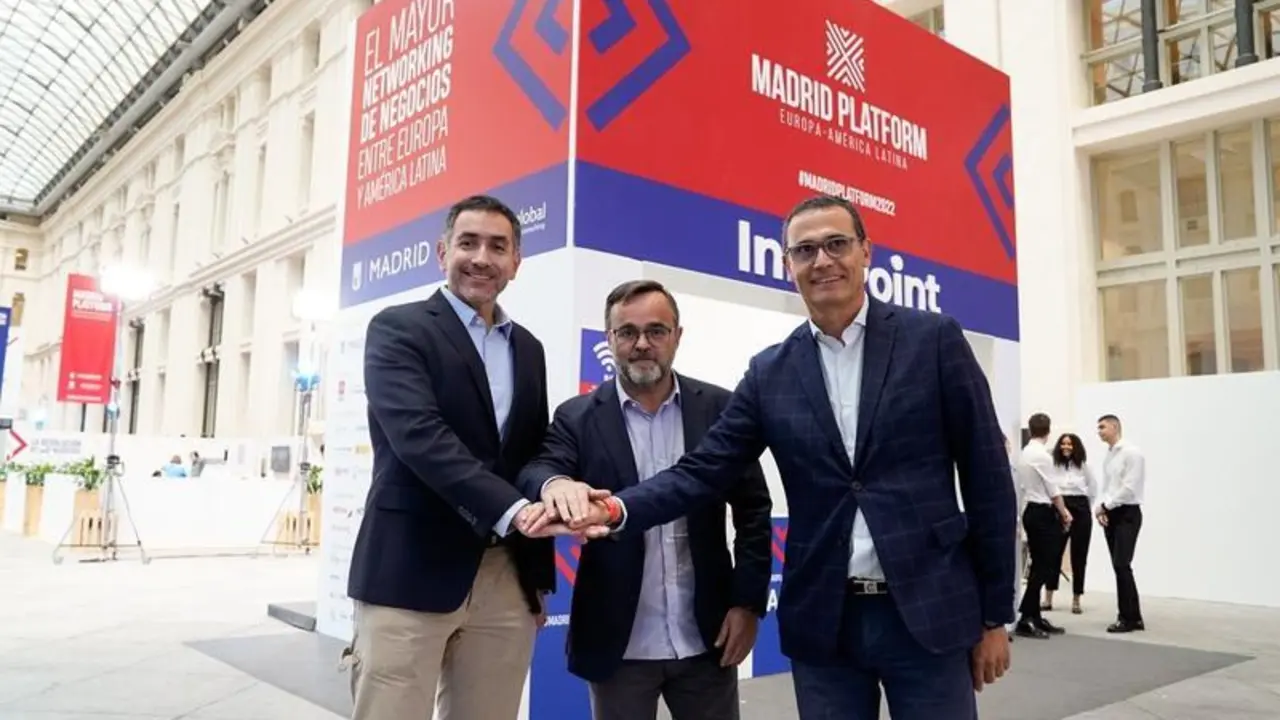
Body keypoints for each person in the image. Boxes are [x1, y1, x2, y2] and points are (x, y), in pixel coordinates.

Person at [540, 195, 1016, 719]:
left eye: (836, 244)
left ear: (866, 252)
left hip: (930, 611)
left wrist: (995, 615)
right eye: (805, 250)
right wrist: (617, 509)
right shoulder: (771, 371)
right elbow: (704, 470)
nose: (822, 261)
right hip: (825, 621)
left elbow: (987, 479)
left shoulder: (934, 341)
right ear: (788, 265)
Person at [344, 195, 560, 720]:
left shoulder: (529, 349)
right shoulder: (398, 328)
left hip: (504, 578)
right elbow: (420, 437)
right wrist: (516, 512)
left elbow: (530, 455)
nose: (482, 258)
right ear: (442, 252)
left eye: (498, 247)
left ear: (516, 263)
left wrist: (536, 578)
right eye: (468, 243)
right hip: (408, 567)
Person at [518, 280, 773, 720]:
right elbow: (538, 469)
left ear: (677, 336)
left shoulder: (719, 409)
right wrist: (556, 484)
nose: (641, 344)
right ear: (609, 339)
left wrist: (748, 604)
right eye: (627, 332)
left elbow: (753, 511)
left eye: (656, 331)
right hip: (618, 643)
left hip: (707, 636)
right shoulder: (577, 416)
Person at [1012, 414, 1071, 639]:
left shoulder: (1025, 453)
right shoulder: (1042, 456)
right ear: (1048, 430)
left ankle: (1034, 615)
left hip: (1031, 510)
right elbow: (1053, 490)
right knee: (1045, 565)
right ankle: (1026, 616)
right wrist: (1065, 513)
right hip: (1043, 512)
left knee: (1039, 564)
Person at [1096, 414, 1146, 633]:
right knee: (1120, 567)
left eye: (1102, 427)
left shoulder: (1131, 453)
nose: (1099, 432)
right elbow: (1107, 486)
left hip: (1127, 513)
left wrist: (1106, 506)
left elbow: (1129, 487)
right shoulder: (1109, 455)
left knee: (1121, 564)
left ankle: (1127, 617)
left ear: (1115, 427)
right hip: (1112, 512)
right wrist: (1103, 508)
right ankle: (1133, 616)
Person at [1043, 432, 1097, 614]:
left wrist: (1085, 508)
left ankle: (1076, 599)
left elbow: (1093, 489)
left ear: (1076, 447)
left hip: (1080, 507)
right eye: (1063, 443)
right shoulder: (1053, 466)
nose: (1066, 447)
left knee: (1079, 555)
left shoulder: (1084, 467)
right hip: (1060, 505)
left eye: (1070, 444)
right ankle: (1048, 597)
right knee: (1053, 553)